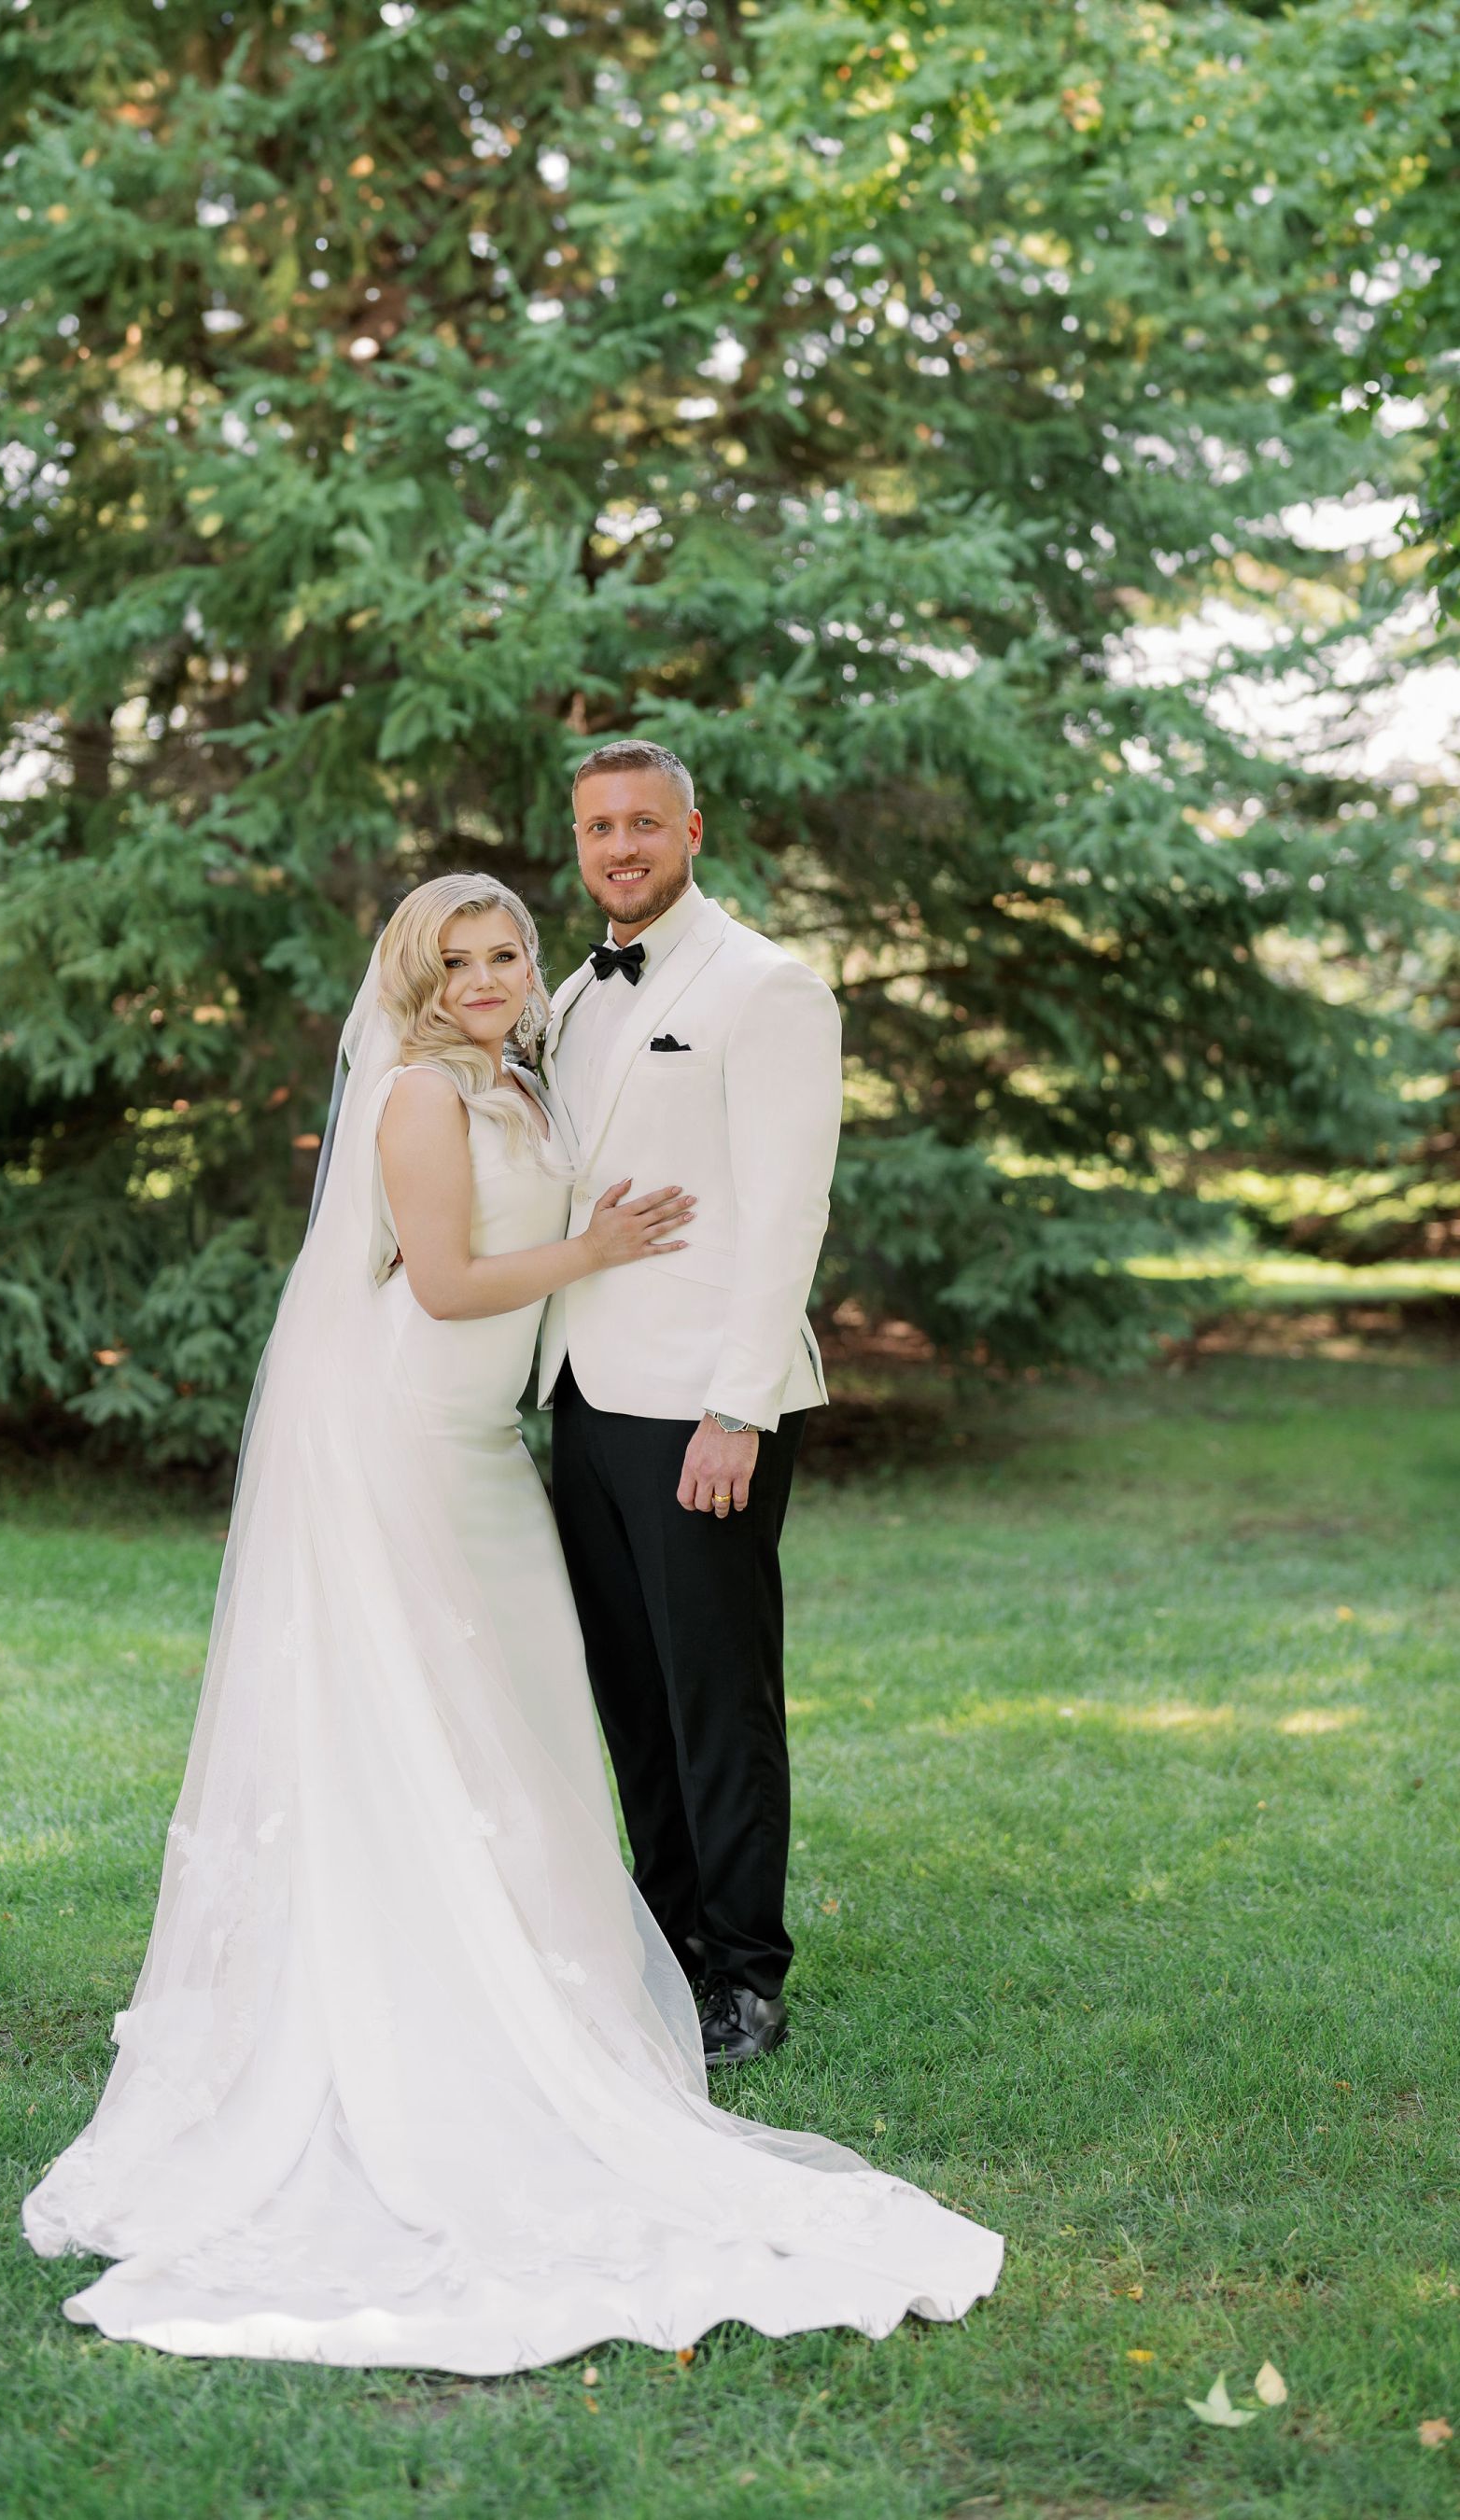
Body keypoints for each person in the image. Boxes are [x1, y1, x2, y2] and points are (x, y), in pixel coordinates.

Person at [22, 867, 1001, 2374]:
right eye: (457, 959)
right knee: (438, 1707)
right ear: (414, 977)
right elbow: (452, 1275)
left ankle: (595, 1967)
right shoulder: (422, 1094)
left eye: (504, 953)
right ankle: (437, 1985)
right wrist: (597, 1251)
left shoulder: (527, 1064)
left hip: (499, 1439)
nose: (486, 977)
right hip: (414, 1432)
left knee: (527, 1709)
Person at [540, 739, 841, 2065]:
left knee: (718, 1697)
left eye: (645, 824)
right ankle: (662, 1949)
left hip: (702, 1405)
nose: (622, 847)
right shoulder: (566, 996)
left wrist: (739, 1408)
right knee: (632, 1696)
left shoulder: (764, 987)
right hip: (583, 1397)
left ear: (693, 830)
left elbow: (787, 1212)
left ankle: (746, 1977)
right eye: (601, 827)